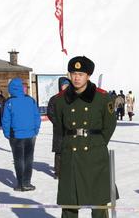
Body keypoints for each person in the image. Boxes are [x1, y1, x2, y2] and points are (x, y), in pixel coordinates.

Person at [54, 56, 117, 218]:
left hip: (95, 155)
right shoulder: (61, 100)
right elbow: (59, 127)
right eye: (73, 73)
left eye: (80, 74)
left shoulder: (102, 98)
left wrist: (98, 143)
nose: (76, 78)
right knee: (69, 202)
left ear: (88, 76)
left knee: (99, 202)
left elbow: (109, 125)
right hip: (71, 154)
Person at [2, 78, 41, 191]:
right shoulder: (31, 100)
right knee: (28, 159)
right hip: (30, 134)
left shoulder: (9, 102)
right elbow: (36, 117)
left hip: (16, 136)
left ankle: (20, 184)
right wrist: (36, 130)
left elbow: (6, 120)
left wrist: (7, 133)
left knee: (18, 159)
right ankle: (27, 183)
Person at [47, 77, 70, 179]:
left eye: (68, 85)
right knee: (59, 151)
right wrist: (58, 123)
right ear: (60, 86)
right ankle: (58, 172)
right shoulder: (55, 98)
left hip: (71, 129)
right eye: (64, 85)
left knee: (71, 150)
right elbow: (50, 113)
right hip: (59, 129)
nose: (66, 87)